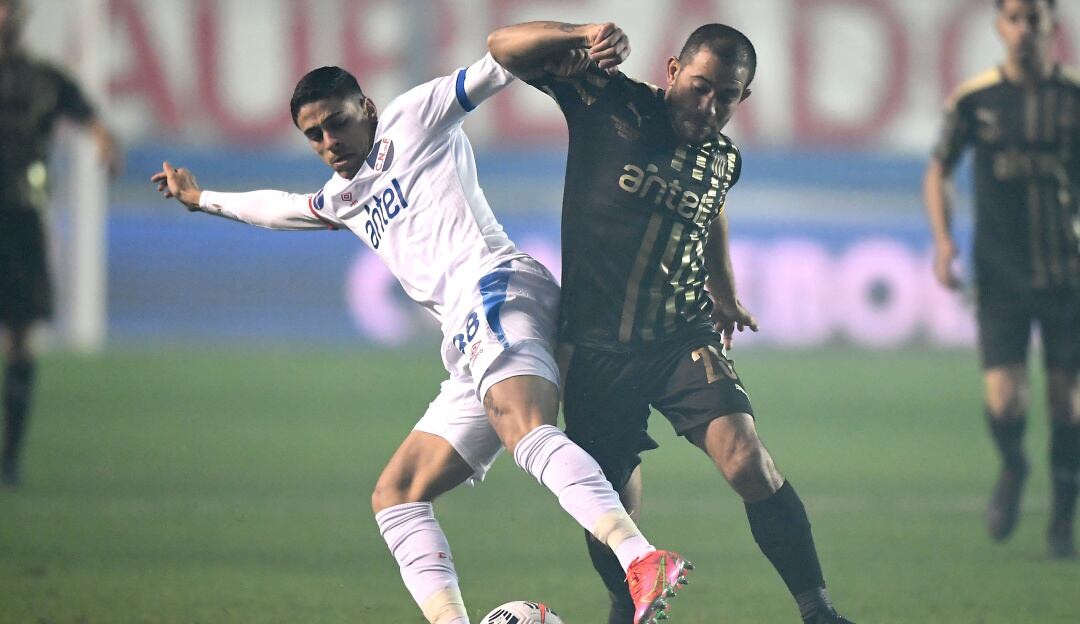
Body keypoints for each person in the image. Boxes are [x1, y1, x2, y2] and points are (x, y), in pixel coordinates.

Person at [152, 47, 693, 624]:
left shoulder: (415, 118)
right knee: (397, 494)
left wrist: (574, 37)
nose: (330, 141)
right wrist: (200, 199)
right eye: (314, 135)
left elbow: (500, 60)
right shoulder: (343, 197)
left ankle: (640, 557)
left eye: (337, 122)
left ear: (367, 106)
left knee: (525, 428)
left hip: (495, 287)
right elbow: (279, 208)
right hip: (466, 337)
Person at [489, 21, 855, 624]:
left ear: (744, 99)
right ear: (672, 73)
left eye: (726, 96)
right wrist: (579, 34)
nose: (709, 106)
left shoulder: (724, 160)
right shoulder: (607, 100)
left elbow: (710, 209)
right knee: (611, 501)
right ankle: (625, 602)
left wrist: (724, 289)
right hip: (596, 345)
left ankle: (819, 612)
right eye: (700, 86)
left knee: (746, 460)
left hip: (680, 333)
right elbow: (501, 46)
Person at [924, 0, 1080, 559]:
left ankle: (1062, 518)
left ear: (1052, 27)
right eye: (1014, 18)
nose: (1023, 29)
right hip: (1002, 273)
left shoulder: (1074, 99)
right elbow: (939, 169)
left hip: (1069, 272)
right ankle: (1015, 464)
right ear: (999, 26)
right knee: (1006, 398)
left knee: (1069, 405)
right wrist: (944, 243)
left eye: (1033, 18)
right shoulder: (975, 100)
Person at [0, 0, 120, 487]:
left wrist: (103, 140)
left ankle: (10, 459)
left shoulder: (42, 79)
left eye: (10, 11)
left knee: (23, 337)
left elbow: (87, 113)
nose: (5, 19)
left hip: (23, 221)